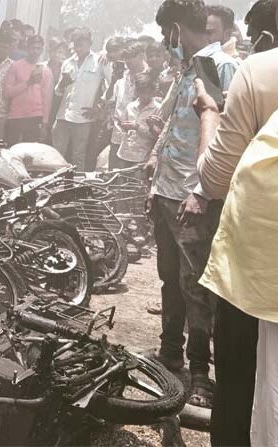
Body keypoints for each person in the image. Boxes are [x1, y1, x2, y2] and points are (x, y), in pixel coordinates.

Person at [144, 0, 238, 410]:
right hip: (168, 191)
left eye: (167, 34)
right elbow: (175, 123)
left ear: (177, 30)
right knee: (170, 277)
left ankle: (200, 373)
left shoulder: (219, 68)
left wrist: (201, 191)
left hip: (193, 198)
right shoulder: (190, 67)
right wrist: (155, 170)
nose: (166, 42)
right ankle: (170, 352)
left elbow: (226, 134)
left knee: (196, 285)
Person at [193, 1, 278, 444]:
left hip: (256, 273)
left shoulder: (259, 70)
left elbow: (215, 178)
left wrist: (210, 114)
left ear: (264, 37)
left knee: (238, 387)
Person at [53, 28, 113, 170]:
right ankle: (54, 181)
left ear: (90, 43)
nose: (79, 48)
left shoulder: (100, 61)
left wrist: (99, 107)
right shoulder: (67, 62)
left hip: (83, 118)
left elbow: (113, 85)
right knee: (56, 155)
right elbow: (58, 92)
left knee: (78, 156)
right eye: (76, 44)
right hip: (62, 116)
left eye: (82, 44)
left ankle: (76, 183)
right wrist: (62, 84)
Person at [4, 35, 53, 146]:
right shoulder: (15, 66)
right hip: (16, 116)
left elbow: (46, 98)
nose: (35, 51)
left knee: (30, 152)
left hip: (35, 118)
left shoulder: (45, 70)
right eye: (33, 48)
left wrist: (45, 123)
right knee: (12, 150)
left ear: (42, 50)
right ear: (27, 48)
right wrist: (28, 83)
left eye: (38, 48)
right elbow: (7, 93)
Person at [108, 41, 147, 168]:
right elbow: (112, 102)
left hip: (140, 142)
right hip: (118, 136)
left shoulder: (151, 78)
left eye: (131, 57)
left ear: (141, 56)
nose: (128, 61)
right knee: (113, 174)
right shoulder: (121, 79)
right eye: (126, 58)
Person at [116, 73, 162, 166]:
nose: (145, 96)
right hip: (124, 153)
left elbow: (158, 136)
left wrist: (137, 127)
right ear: (137, 91)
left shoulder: (158, 109)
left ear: (153, 91)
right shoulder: (130, 106)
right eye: (142, 92)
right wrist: (123, 126)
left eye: (148, 92)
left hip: (142, 157)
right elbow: (124, 129)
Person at [46, 37, 70, 133]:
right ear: (49, 51)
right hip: (43, 109)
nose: (57, 54)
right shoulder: (42, 67)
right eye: (54, 51)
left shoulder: (67, 69)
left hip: (59, 109)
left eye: (60, 52)